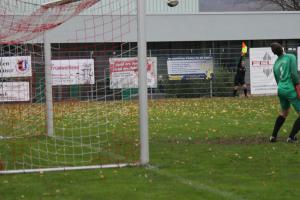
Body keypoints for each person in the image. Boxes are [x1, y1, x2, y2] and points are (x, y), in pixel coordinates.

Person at [270, 42, 300, 143]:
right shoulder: (291, 57)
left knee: (284, 113)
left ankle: (273, 136)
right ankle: (291, 137)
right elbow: (294, 74)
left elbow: (277, 80)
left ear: (274, 53)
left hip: (281, 90)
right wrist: (297, 85)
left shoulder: (275, 65)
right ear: (282, 49)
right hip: (290, 89)